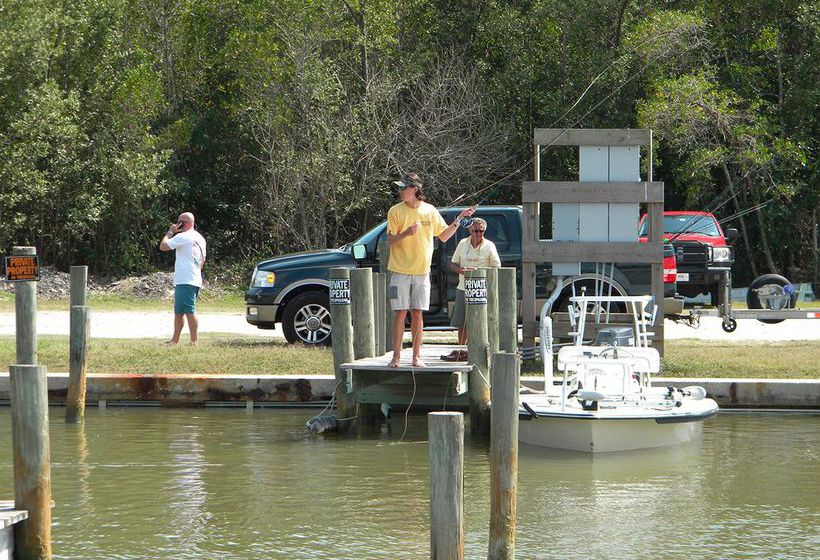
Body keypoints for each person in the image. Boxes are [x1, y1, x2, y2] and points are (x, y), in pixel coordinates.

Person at [387, 173, 474, 368]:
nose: (400, 191)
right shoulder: (395, 211)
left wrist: (459, 219)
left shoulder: (430, 211)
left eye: (403, 188)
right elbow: (390, 242)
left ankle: (416, 357)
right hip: (399, 271)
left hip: (421, 272)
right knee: (400, 313)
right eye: (400, 187)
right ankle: (396, 357)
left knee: (417, 313)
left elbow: (443, 236)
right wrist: (406, 233)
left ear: (415, 190)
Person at [441, 217, 501, 362]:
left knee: (481, 320)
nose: (478, 234)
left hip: (482, 290)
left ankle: (478, 350)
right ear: (470, 230)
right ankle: (461, 350)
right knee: (461, 321)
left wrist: (479, 270)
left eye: (481, 231)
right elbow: (453, 264)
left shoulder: (490, 246)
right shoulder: (462, 244)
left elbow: (497, 267)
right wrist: (462, 270)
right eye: (475, 231)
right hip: (463, 287)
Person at [159, 212, 207, 345]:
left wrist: (170, 232)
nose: (179, 224)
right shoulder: (200, 238)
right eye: (178, 221)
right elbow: (203, 260)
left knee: (189, 310)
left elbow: (163, 246)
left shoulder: (183, 236)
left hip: (186, 278)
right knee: (179, 311)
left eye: (182, 222)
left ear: (189, 223)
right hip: (193, 277)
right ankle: (175, 340)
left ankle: (194, 341)